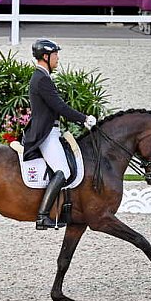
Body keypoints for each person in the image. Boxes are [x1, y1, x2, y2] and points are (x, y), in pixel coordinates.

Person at [23, 38, 97, 230]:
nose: (58, 58)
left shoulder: (42, 77)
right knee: (62, 171)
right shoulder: (42, 79)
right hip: (46, 134)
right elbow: (60, 107)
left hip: (52, 131)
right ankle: (42, 216)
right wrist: (84, 119)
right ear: (46, 56)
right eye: (55, 55)